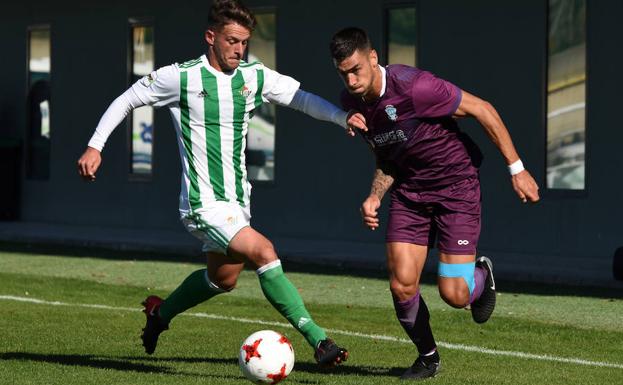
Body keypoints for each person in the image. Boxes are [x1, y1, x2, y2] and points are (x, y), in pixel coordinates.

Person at [77, 0, 366, 367]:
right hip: (202, 203)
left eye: (244, 42)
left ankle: (160, 315)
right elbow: (128, 99)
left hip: (237, 202)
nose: (239, 49)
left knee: (223, 279)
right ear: (211, 37)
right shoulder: (180, 77)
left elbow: (301, 99)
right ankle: (319, 340)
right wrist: (95, 146)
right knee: (264, 251)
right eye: (232, 40)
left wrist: (343, 119)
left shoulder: (253, 76)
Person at [330, 27, 540, 380]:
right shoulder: (351, 104)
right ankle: (428, 357)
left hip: (455, 189)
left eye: (356, 70)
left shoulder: (416, 87)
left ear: (373, 58)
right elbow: (388, 156)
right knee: (401, 285)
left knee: (455, 294)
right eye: (343, 73)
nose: (351, 80)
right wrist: (374, 195)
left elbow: (483, 109)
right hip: (411, 195)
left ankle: (480, 276)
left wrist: (517, 169)